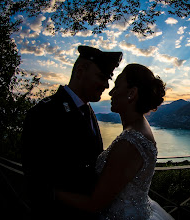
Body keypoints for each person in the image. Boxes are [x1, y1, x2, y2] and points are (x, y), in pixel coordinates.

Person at [56, 63, 175, 219]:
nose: (111, 92)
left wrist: (53, 192)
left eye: (117, 86)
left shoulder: (130, 143)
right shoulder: (139, 127)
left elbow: (94, 204)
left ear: (131, 93)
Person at [21, 45, 123, 219]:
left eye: (108, 79)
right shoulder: (45, 113)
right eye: (101, 77)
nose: (106, 85)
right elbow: (36, 180)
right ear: (80, 71)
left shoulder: (88, 110)